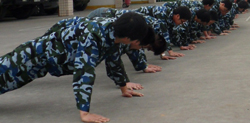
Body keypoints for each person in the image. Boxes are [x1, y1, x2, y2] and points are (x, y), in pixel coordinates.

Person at [0, 12, 151, 123]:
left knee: (7, 84)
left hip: (43, 64)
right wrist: (84, 112)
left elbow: (114, 62)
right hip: (31, 56)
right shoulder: (94, 37)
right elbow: (84, 72)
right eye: (138, 40)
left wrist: (123, 88)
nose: (138, 44)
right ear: (128, 37)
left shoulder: (114, 34)